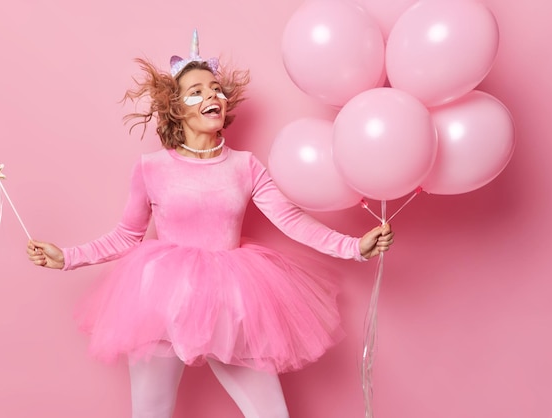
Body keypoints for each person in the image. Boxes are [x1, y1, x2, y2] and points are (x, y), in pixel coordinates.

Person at [26, 30, 394, 418]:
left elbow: (290, 220)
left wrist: (353, 246)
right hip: (161, 302)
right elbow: (127, 235)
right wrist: (66, 256)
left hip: (231, 304)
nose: (212, 96)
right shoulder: (151, 169)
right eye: (197, 91)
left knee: (272, 414)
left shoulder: (245, 166)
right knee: (150, 411)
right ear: (176, 108)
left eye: (215, 89)